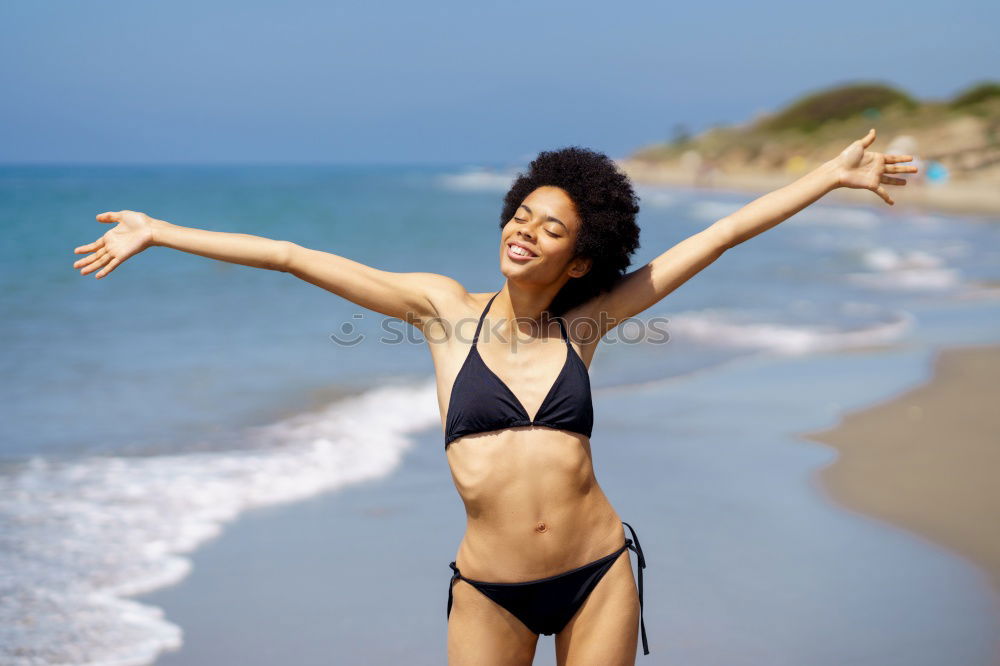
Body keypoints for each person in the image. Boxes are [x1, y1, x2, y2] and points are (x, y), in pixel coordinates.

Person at [72, 128, 915, 665]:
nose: (526, 230)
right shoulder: (442, 313)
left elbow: (721, 235)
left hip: (597, 572)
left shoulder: (588, 324)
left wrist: (828, 178)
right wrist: (161, 232)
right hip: (489, 588)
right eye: (522, 214)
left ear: (581, 260)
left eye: (552, 229)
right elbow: (293, 255)